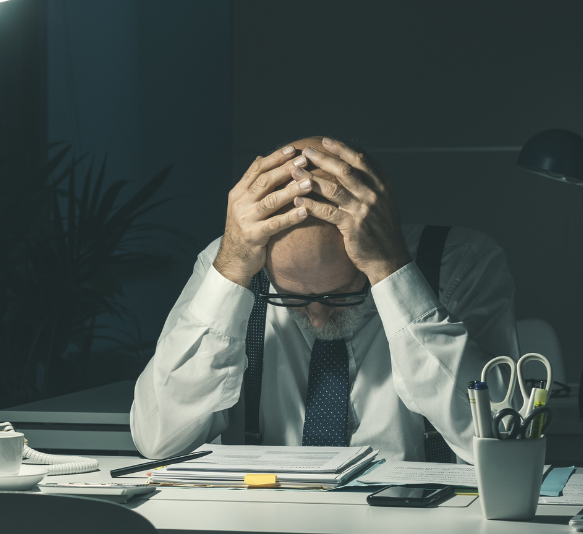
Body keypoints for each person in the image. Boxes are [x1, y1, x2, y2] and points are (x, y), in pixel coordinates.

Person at [130, 136, 518, 461]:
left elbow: (503, 441)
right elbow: (160, 439)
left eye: (340, 295)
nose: (316, 317)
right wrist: (230, 273)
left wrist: (390, 270)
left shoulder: (463, 262)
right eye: (292, 298)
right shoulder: (233, 261)